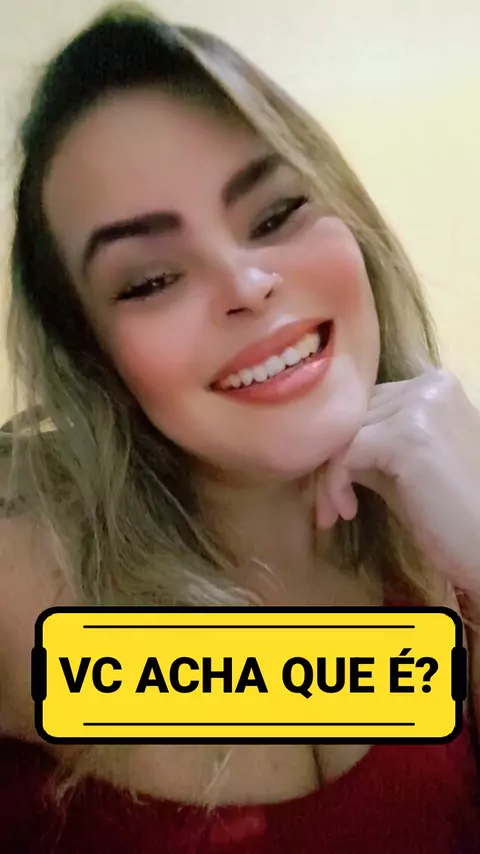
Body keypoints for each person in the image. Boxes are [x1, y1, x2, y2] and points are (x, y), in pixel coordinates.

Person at [1, 3, 479, 852]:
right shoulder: (23, 585)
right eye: (149, 281)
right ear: (93, 357)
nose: (246, 283)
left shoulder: (447, 516)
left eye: (274, 213)